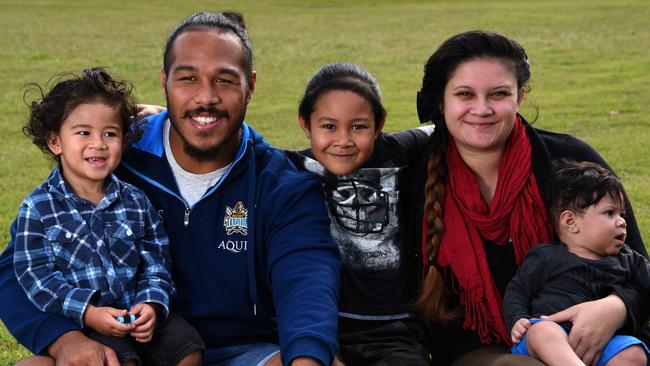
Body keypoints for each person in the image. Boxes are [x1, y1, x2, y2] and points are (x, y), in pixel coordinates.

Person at [0, 12, 340, 366]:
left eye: (224, 80)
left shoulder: (282, 185)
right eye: (188, 78)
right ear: (165, 81)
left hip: (245, 352)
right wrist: (63, 339)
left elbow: (308, 283)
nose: (205, 97)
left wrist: (306, 357)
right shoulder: (117, 159)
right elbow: (17, 269)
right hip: (126, 344)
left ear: (250, 85)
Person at [409, 30, 649, 366]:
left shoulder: (569, 163)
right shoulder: (417, 178)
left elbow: (636, 264)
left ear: (520, 96)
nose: (482, 109)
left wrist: (616, 306)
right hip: (483, 351)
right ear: (441, 101)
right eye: (465, 94)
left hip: (593, 339)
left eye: (499, 94)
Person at [12, 67, 204, 366]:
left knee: (189, 349)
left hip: (138, 313)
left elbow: (157, 261)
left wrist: (152, 302)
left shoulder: (136, 201)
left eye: (110, 133)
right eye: (83, 132)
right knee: (116, 360)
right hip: (87, 320)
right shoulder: (38, 208)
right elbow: (35, 276)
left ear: (124, 141)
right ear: (55, 142)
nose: (98, 143)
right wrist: (88, 311)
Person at [286, 62, 434, 365]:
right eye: (328, 126)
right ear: (305, 123)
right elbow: (237, 145)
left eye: (358, 126)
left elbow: (439, 130)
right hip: (325, 325)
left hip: (394, 327)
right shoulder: (291, 166)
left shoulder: (397, 150)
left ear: (378, 124)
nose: (343, 140)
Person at [503, 160, 650, 366]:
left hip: (604, 341)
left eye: (621, 214)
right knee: (542, 330)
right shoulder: (546, 257)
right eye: (610, 213)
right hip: (553, 334)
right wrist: (517, 318)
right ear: (570, 222)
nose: (622, 221)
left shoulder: (628, 260)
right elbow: (518, 289)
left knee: (634, 352)